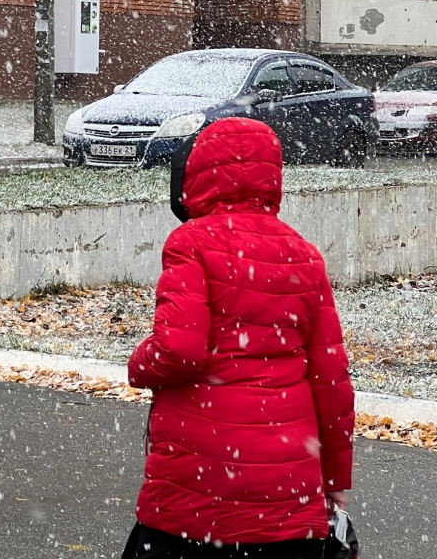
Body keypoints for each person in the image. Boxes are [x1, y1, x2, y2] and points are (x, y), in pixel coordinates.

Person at [123, 117, 355, 559]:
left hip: (195, 491)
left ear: (197, 174)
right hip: (286, 500)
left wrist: (139, 365)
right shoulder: (304, 255)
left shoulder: (190, 243)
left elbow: (178, 350)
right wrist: (334, 480)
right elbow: (332, 385)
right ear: (272, 176)